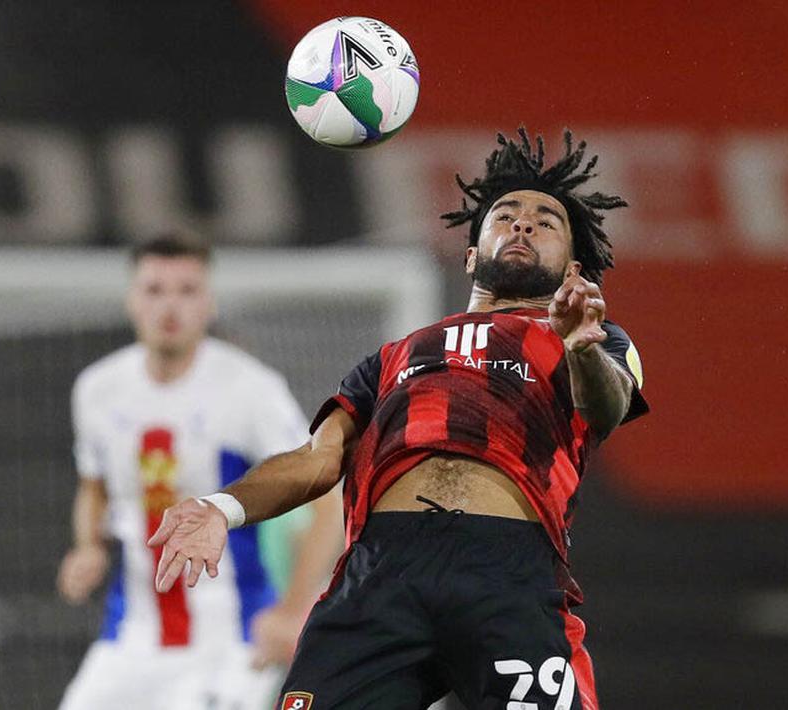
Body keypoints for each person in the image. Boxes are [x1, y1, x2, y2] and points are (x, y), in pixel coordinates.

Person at [148, 129, 650, 710]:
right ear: (471, 255)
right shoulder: (390, 359)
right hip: (382, 571)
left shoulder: (593, 341)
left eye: (545, 221)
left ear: (572, 271)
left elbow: (607, 409)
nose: (522, 225)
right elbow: (317, 460)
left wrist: (582, 347)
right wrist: (222, 507)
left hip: (507, 571)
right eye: (505, 215)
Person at [56, 233, 343, 710]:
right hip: (130, 637)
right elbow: (94, 485)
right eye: (154, 290)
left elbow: (327, 499)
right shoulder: (98, 389)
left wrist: (293, 611)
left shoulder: (250, 390)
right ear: (131, 301)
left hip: (228, 641)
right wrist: (88, 547)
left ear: (209, 303)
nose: (170, 306)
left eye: (187, 291)